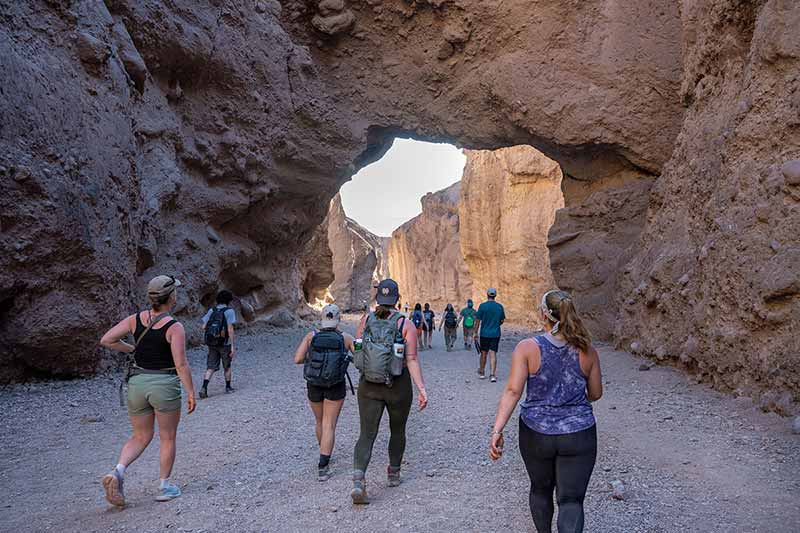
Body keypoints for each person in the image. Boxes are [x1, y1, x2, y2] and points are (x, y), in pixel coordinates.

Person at [489, 290, 602, 533]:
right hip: (579, 433)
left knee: (540, 489)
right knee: (571, 500)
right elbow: (595, 393)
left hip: (535, 433)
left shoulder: (527, 348)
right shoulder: (587, 350)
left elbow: (512, 391)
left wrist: (497, 429)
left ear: (544, 314)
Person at [99, 275, 196, 506]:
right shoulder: (175, 327)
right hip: (164, 385)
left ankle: (118, 472)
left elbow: (107, 339)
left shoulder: (135, 319)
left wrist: (130, 347)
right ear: (171, 297)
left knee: (140, 436)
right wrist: (191, 391)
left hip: (137, 384)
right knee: (167, 437)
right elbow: (181, 364)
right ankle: (164, 487)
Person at [351, 279, 428, 504]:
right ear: (397, 298)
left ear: (378, 298)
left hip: (368, 385)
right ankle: (393, 474)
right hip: (398, 385)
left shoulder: (366, 320)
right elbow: (411, 359)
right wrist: (422, 389)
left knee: (366, 433)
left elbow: (357, 347)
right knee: (397, 429)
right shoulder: (405, 324)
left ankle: (358, 480)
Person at [293, 304, 354, 481]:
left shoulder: (312, 336)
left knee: (320, 421)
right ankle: (323, 465)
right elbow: (360, 359)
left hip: (314, 383)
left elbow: (297, 359)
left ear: (322, 318)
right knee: (330, 424)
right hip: (335, 384)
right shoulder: (345, 337)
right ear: (338, 319)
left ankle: (323, 452)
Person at [199, 290, 237, 398]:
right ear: (229, 300)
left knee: (210, 366)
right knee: (227, 366)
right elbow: (230, 329)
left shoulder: (212, 310)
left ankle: (204, 387)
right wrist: (233, 346)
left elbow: (203, 326)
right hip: (225, 343)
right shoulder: (229, 311)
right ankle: (228, 387)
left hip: (212, 343)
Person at [475, 288, 506, 382]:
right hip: (495, 334)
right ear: (495, 295)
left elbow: (477, 321)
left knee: (483, 353)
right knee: (493, 354)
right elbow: (502, 320)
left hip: (484, 333)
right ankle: (492, 375)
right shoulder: (500, 307)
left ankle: (482, 372)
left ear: (487, 295)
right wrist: (496, 325)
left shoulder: (482, 306)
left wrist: (475, 332)